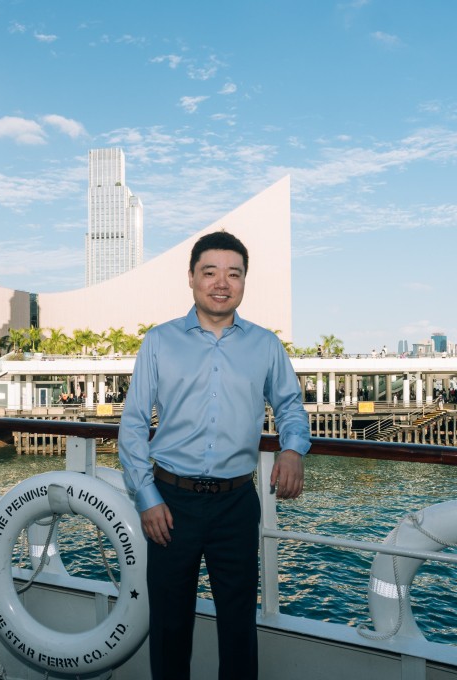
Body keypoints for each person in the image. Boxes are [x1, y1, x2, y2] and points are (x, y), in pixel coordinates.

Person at [118, 230, 311, 680]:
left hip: (236, 504)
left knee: (239, 627)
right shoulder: (159, 342)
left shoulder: (265, 345)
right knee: (168, 626)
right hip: (169, 502)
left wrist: (292, 449)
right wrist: (146, 497)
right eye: (210, 272)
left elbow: (289, 406)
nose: (221, 283)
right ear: (191, 278)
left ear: (244, 281)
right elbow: (131, 424)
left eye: (234, 273)